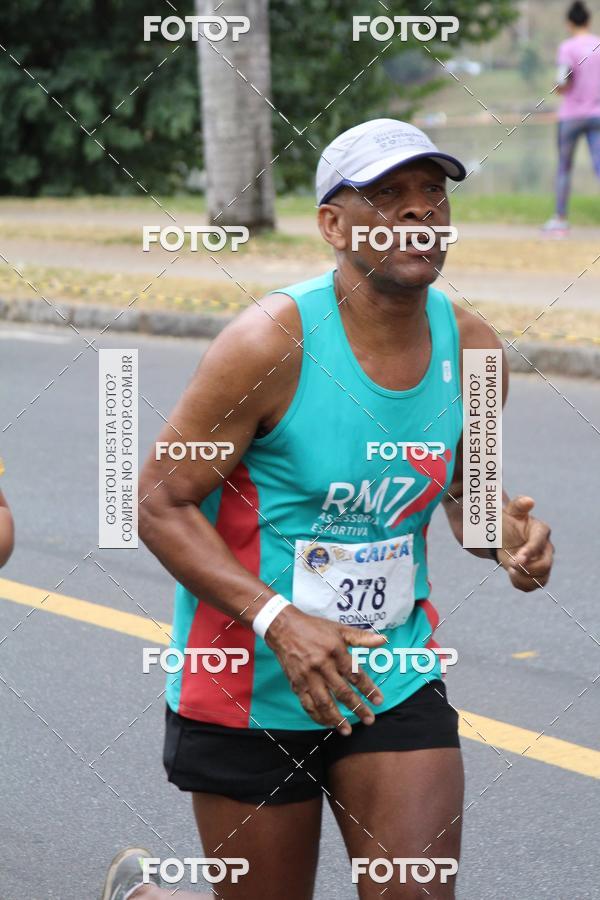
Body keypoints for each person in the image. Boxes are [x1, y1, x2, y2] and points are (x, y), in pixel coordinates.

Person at [105, 118, 554, 900]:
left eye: (432, 195)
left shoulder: (476, 349)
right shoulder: (269, 344)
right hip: (249, 684)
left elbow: (466, 500)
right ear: (332, 225)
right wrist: (279, 619)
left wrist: (510, 541)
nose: (418, 212)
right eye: (387, 196)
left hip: (392, 673)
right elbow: (154, 500)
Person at [543, 0, 600, 236]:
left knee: (565, 168)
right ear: (588, 21)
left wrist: (559, 88)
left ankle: (560, 220)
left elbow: (562, 82)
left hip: (571, 117)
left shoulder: (567, 47)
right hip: (597, 114)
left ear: (569, 23)